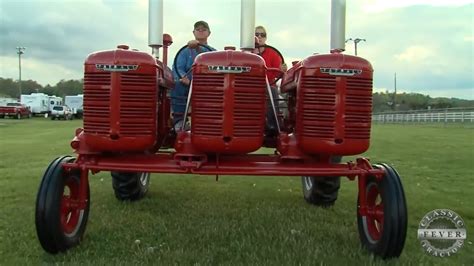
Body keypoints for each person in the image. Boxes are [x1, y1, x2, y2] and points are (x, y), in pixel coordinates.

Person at [171, 20, 216, 130]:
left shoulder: (213, 53)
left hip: (207, 85)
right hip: (188, 84)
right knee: (178, 85)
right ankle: (180, 121)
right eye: (198, 29)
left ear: (209, 33)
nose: (200, 31)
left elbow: (217, 70)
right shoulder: (185, 51)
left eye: (204, 29)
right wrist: (183, 78)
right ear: (194, 32)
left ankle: (211, 121)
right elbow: (178, 68)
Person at [254, 26, 287, 138]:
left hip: (269, 86)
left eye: (262, 35)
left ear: (266, 38)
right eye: (257, 34)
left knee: (272, 91)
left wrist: (282, 70)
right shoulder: (247, 53)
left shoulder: (272, 53)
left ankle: (273, 126)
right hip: (251, 86)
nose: (259, 37)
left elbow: (279, 73)